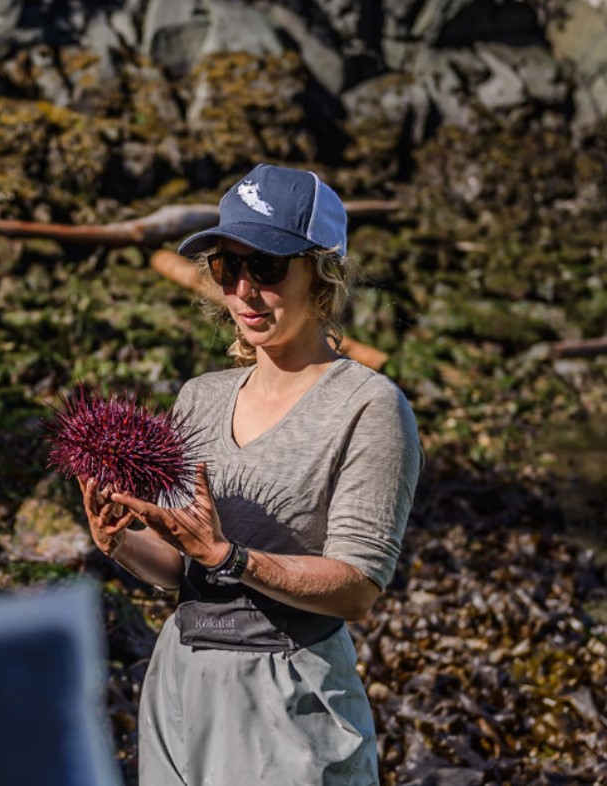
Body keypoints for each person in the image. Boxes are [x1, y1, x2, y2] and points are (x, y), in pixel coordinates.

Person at [78, 163, 422, 784]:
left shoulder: (369, 406)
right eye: (224, 267)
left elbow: (358, 589)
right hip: (180, 679)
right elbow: (186, 571)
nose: (242, 290)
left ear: (323, 272)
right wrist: (121, 542)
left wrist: (231, 557)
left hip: (289, 698)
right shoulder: (199, 398)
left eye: (265, 267)